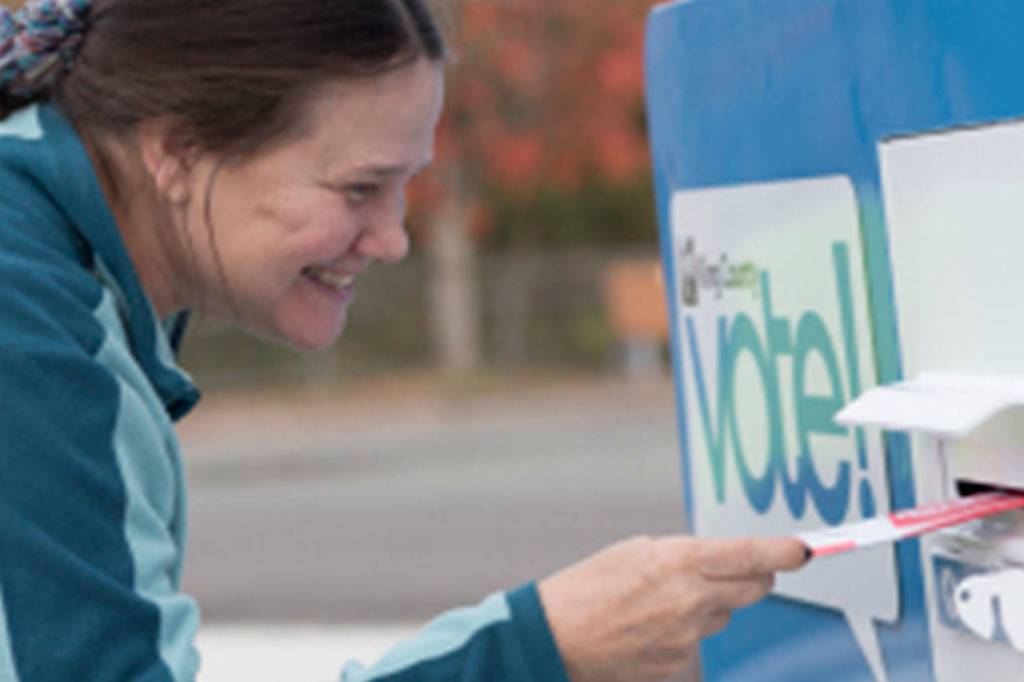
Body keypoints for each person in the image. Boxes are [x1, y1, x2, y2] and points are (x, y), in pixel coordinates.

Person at [0, 0, 809, 680]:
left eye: (404, 187)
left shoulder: (58, 260)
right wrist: (537, 649)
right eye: (359, 189)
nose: (393, 240)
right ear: (178, 151)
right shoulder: (29, 320)